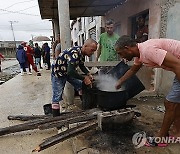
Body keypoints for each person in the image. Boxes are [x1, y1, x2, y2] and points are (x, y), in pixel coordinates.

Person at [115, 35, 180, 147]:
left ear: (127, 48)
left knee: (170, 103)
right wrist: (119, 82)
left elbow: (178, 65)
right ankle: (177, 132)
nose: (121, 57)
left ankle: (161, 138)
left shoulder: (147, 50)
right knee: (175, 103)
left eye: (120, 53)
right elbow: (133, 69)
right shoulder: (140, 54)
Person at [51, 38, 97, 117]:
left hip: (67, 72)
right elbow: (71, 72)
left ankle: (85, 108)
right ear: (85, 46)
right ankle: (56, 120)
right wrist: (84, 78)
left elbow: (81, 65)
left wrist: (88, 73)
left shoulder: (81, 52)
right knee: (57, 95)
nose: (92, 53)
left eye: (94, 51)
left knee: (80, 86)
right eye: (92, 50)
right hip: (58, 73)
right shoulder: (74, 53)